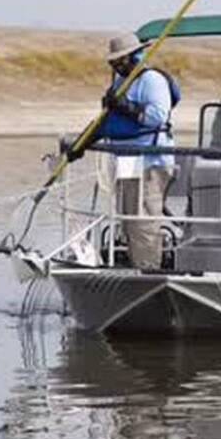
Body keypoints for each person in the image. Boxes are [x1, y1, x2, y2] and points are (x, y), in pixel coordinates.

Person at [89, 33, 179, 270]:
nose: (117, 66)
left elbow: (157, 116)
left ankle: (149, 269)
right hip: (127, 162)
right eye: (113, 63)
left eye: (120, 61)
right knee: (128, 220)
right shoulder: (121, 81)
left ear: (134, 57)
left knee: (143, 220)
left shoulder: (151, 80)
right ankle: (132, 264)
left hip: (150, 161)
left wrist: (126, 108)